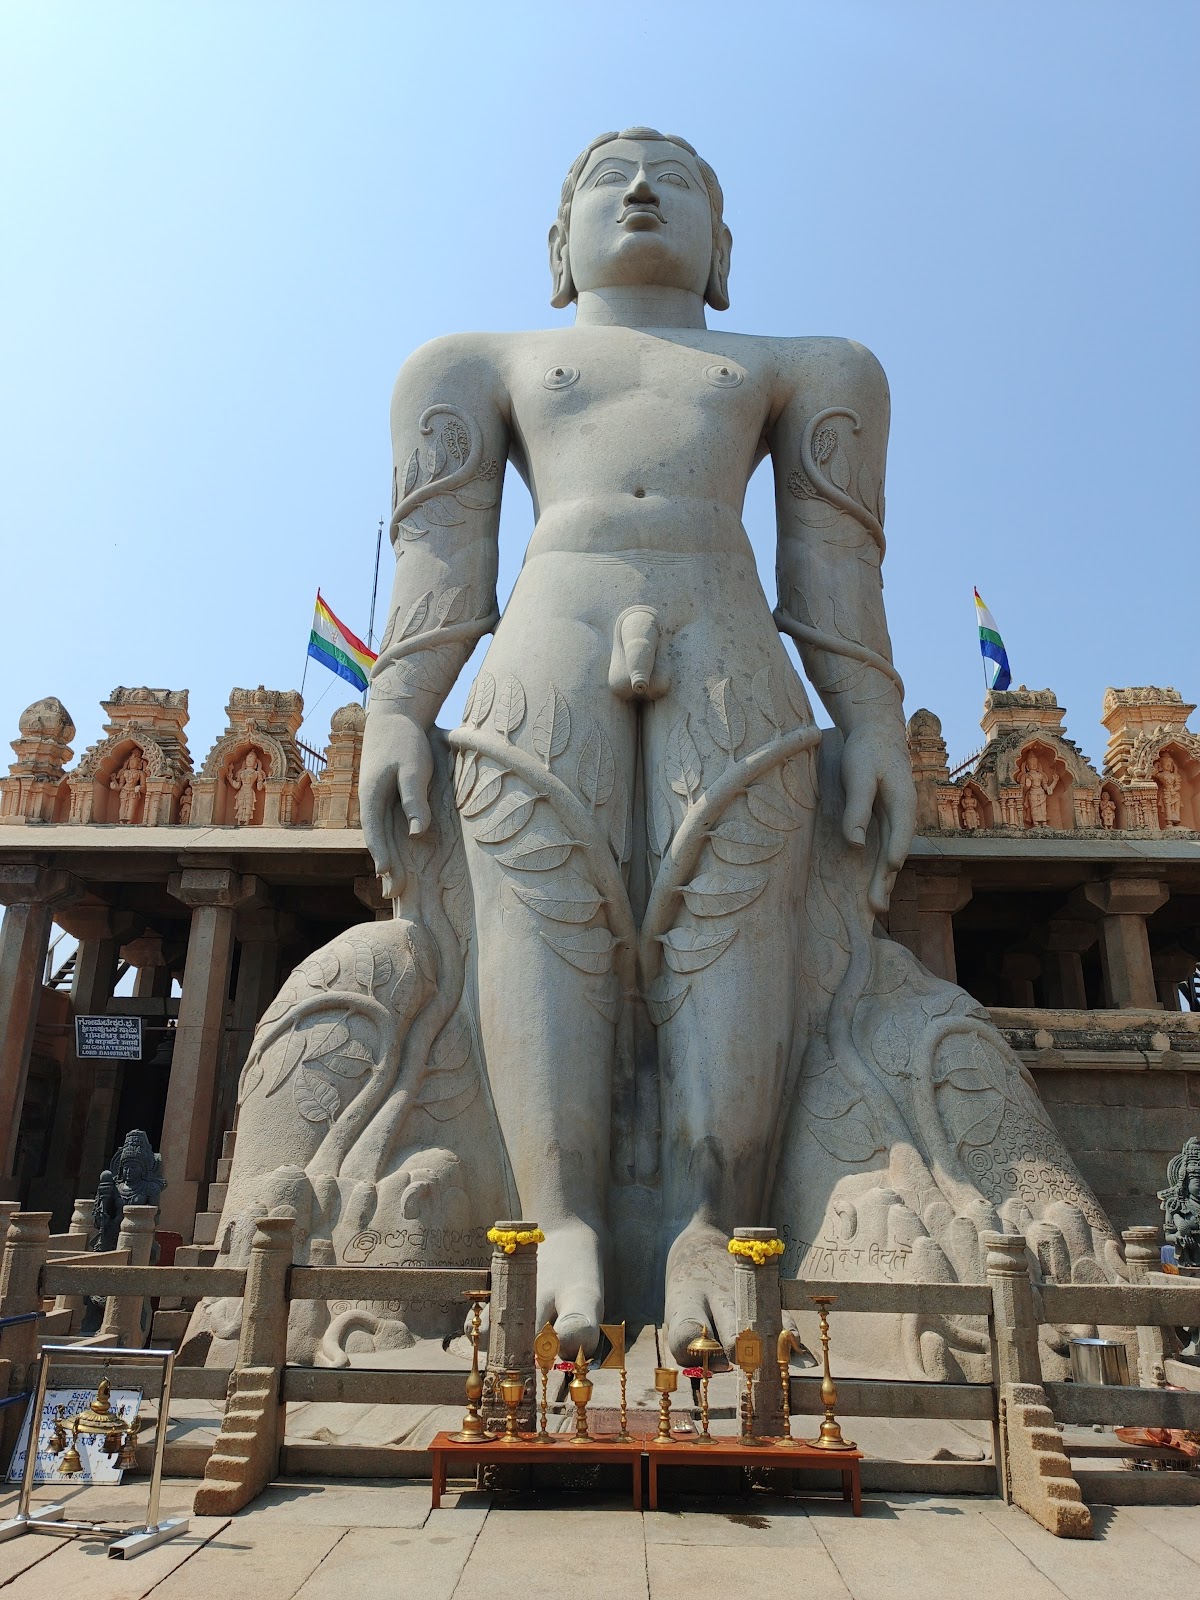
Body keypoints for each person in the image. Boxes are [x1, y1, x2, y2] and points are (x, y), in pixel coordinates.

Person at [358, 129, 914, 1355]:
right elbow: (439, 558)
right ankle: (558, 1219)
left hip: (725, 628)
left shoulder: (802, 365)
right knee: (535, 893)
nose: (644, 188)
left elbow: (834, 565)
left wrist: (873, 716)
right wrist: (398, 706)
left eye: (676, 179)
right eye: (611, 178)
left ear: (724, 248)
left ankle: (714, 1220)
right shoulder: (478, 362)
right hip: (552, 626)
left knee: (734, 901)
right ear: (560, 245)